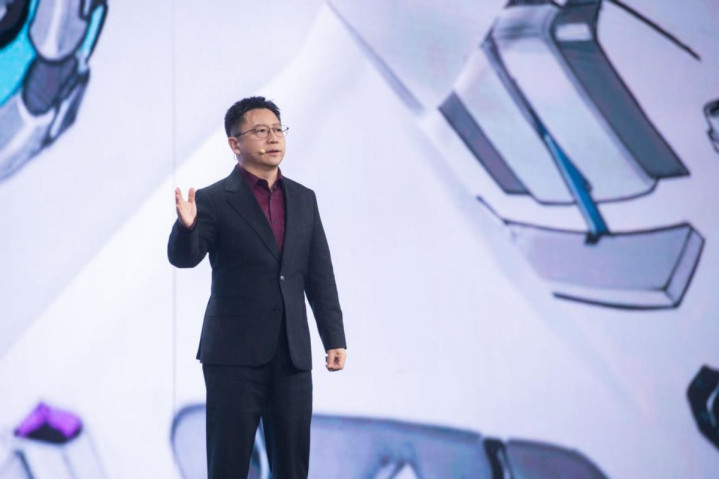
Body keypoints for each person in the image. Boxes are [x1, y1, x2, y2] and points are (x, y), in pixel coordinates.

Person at [167, 96, 347, 478]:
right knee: (228, 465)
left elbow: (319, 274)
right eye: (261, 131)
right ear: (235, 144)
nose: (273, 138)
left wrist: (334, 338)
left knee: (292, 467)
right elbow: (184, 258)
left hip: (291, 355)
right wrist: (186, 227)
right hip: (233, 356)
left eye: (278, 129)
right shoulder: (214, 200)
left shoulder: (304, 199)